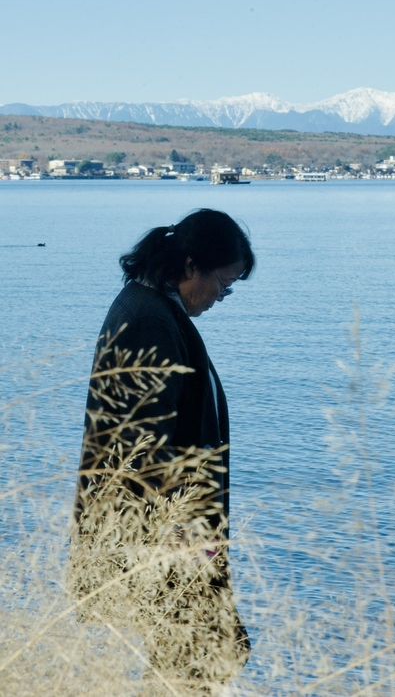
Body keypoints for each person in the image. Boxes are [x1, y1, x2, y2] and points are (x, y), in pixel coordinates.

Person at [72, 208, 255, 689]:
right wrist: (183, 537)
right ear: (191, 266)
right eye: (223, 283)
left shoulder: (151, 308)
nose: (221, 297)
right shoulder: (150, 320)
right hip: (168, 537)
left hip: (170, 532)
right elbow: (141, 444)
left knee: (198, 658)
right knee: (198, 662)